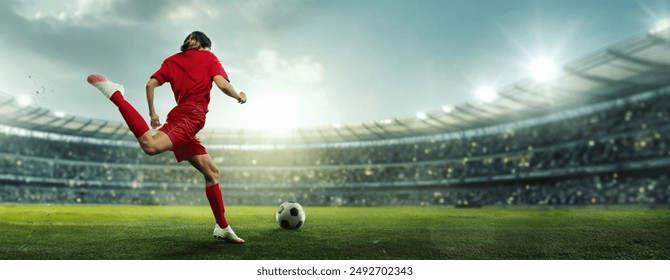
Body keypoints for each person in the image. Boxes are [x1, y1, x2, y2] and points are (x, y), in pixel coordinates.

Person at [87, 31, 247, 244]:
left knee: (212, 173)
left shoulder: (171, 61)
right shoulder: (209, 57)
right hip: (190, 118)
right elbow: (222, 84)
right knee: (150, 145)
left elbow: (149, 84)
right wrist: (239, 96)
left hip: (183, 118)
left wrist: (153, 114)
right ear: (201, 44)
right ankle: (116, 95)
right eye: (208, 48)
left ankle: (222, 227)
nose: (209, 52)